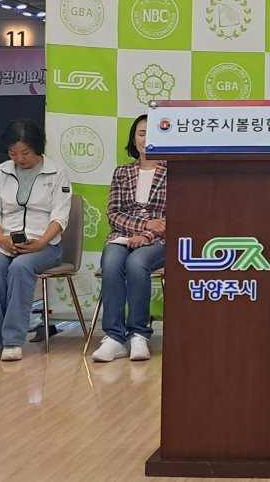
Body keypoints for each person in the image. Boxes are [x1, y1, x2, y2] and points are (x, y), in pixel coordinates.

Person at [0, 120, 71, 362]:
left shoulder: (57, 173)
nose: (19, 159)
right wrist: (1, 239)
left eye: (25, 153)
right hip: (6, 244)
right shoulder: (0, 172)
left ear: (37, 147)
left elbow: (60, 216)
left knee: (20, 267)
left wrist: (41, 242)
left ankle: (13, 340)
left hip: (46, 246)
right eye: (12, 153)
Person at [92, 115, 167, 363]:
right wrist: (143, 226)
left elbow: (174, 216)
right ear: (134, 140)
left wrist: (146, 235)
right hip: (121, 236)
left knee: (136, 264)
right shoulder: (122, 172)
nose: (146, 139)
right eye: (141, 134)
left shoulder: (174, 172)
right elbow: (113, 213)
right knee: (112, 263)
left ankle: (139, 334)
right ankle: (114, 337)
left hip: (159, 241)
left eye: (152, 133)